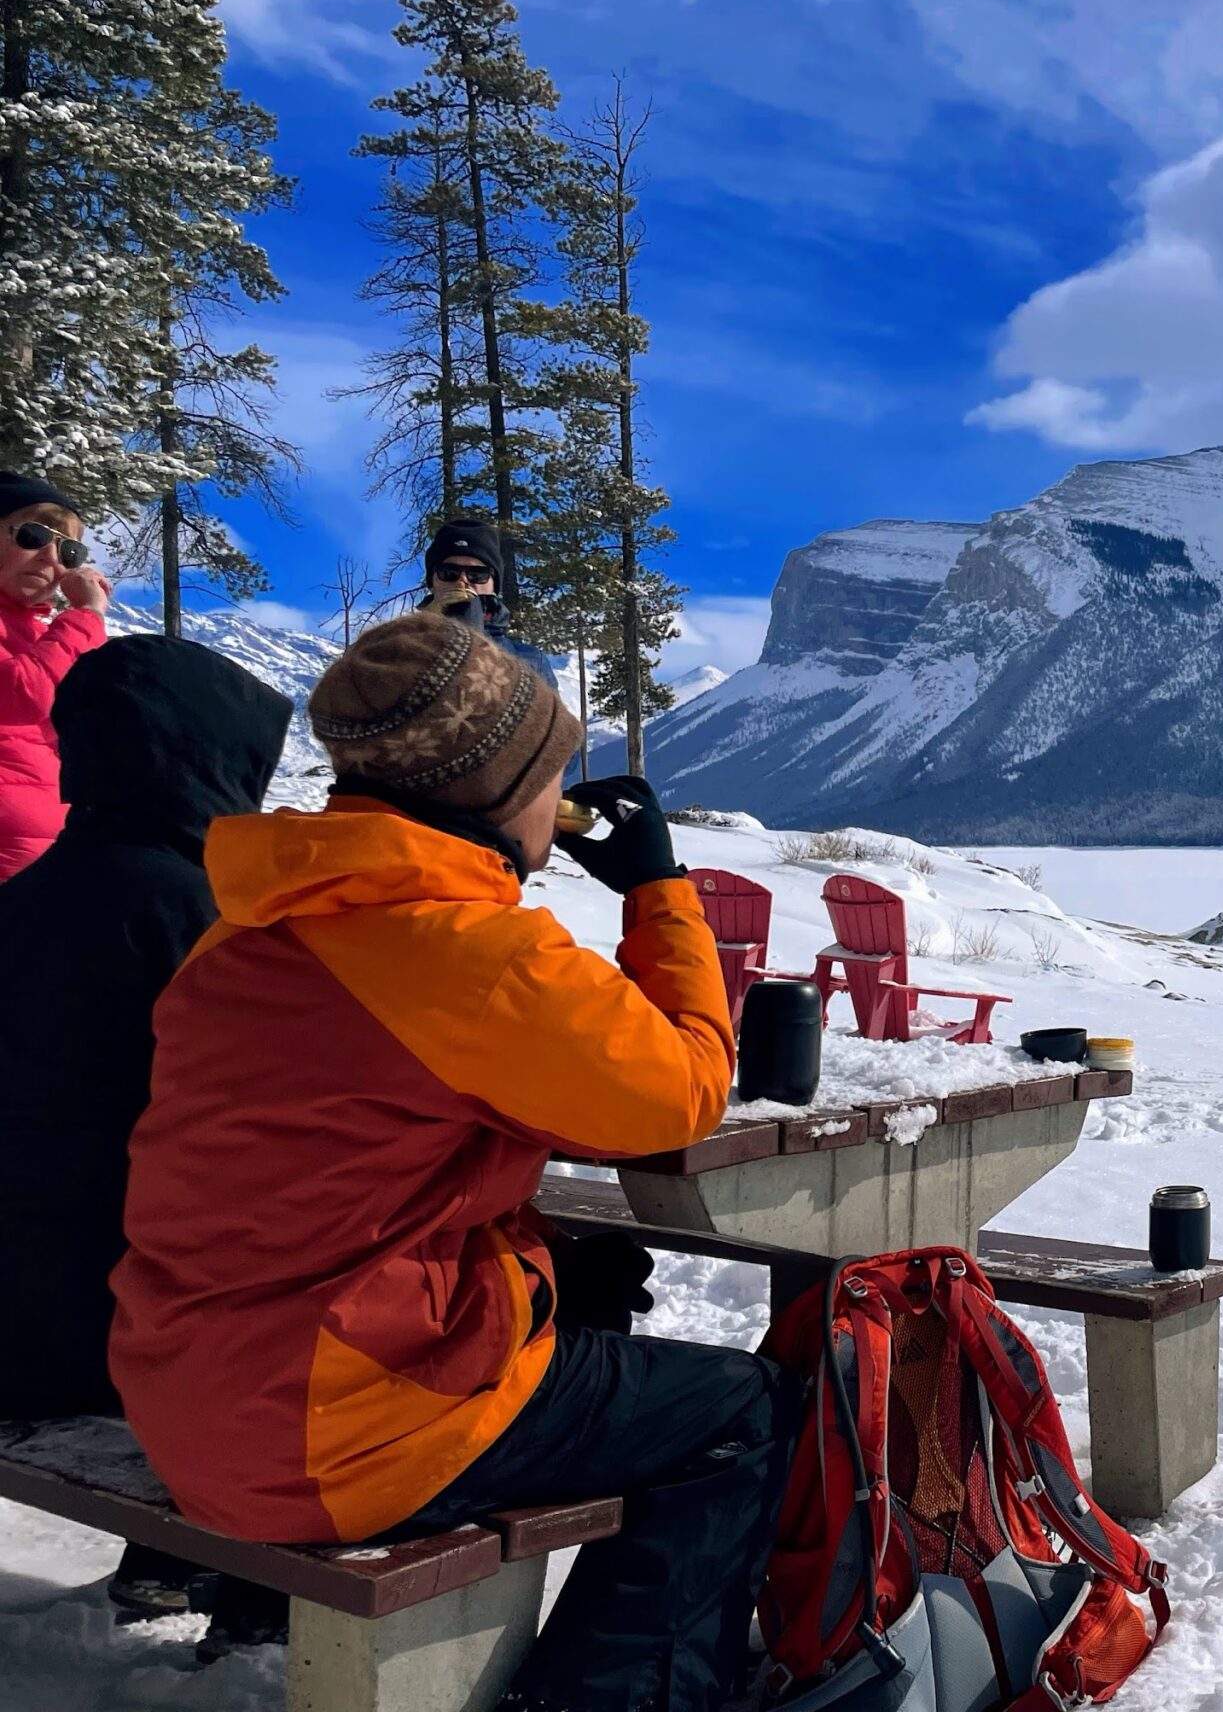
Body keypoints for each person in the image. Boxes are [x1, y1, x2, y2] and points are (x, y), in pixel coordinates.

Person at [111, 612, 797, 1712]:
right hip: (328, 1436)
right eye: (551, 772)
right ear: (494, 790)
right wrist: (657, 893)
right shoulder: (473, 956)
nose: (560, 796)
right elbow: (675, 1099)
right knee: (744, 1408)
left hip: (189, 1384)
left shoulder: (248, 929)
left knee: (582, 1287)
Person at [0, 635, 292, 1630]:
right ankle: (261, 1608)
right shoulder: (205, 920)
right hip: (120, 1345)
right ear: (202, 757)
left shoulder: (25, 901)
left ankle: (170, 1563)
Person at [0, 472, 112, 881]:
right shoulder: (68, 632)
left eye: (69, 551)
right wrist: (85, 616)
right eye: (32, 536)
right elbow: (22, 694)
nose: (51, 558)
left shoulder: (46, 636)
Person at [418, 517, 558, 688]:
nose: (462, 581)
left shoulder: (531, 661)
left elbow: (549, 715)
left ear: (494, 586)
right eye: (449, 572)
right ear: (432, 583)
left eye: (477, 574)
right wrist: (423, 633)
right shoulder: (399, 648)